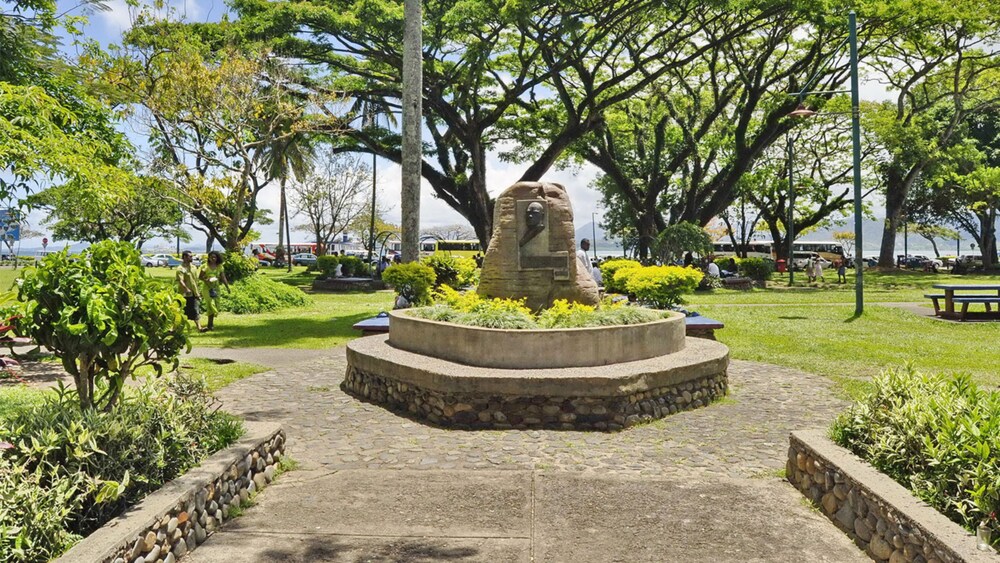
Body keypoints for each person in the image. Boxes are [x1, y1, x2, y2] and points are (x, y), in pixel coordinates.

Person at [199, 251, 230, 332]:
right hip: (207, 288)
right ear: (209, 257)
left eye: (215, 257)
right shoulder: (205, 266)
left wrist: (227, 287)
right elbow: (200, 277)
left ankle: (210, 323)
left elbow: (223, 277)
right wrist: (207, 280)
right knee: (210, 304)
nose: (213, 259)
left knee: (216, 305)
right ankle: (210, 325)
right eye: (212, 257)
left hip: (216, 288)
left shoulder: (219, 267)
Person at [176, 251, 203, 332]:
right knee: (181, 312)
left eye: (191, 256)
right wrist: (186, 289)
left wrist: (197, 292)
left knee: (195, 310)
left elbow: (195, 281)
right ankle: (175, 328)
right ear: (184, 257)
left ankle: (199, 328)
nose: (191, 258)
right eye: (189, 256)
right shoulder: (180, 269)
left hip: (193, 293)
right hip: (184, 294)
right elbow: (180, 281)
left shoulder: (194, 267)